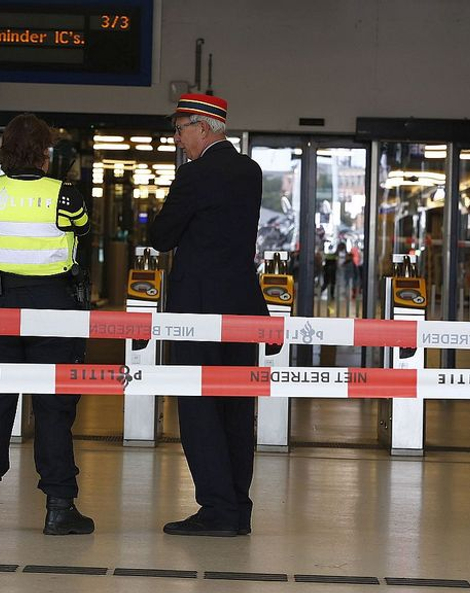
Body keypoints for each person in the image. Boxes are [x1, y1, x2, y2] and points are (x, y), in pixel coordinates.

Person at [0, 113, 94, 536]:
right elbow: (82, 232)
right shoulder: (65, 196)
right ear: (46, 153)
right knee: (54, 411)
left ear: (5, 150)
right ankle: (59, 509)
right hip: (53, 310)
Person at [149, 93, 267, 537]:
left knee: (199, 408)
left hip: (197, 308)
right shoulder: (249, 171)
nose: (178, 140)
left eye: (180, 130)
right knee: (237, 407)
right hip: (241, 305)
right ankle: (237, 505)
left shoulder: (194, 175)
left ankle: (216, 509)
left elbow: (162, 236)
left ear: (204, 127)